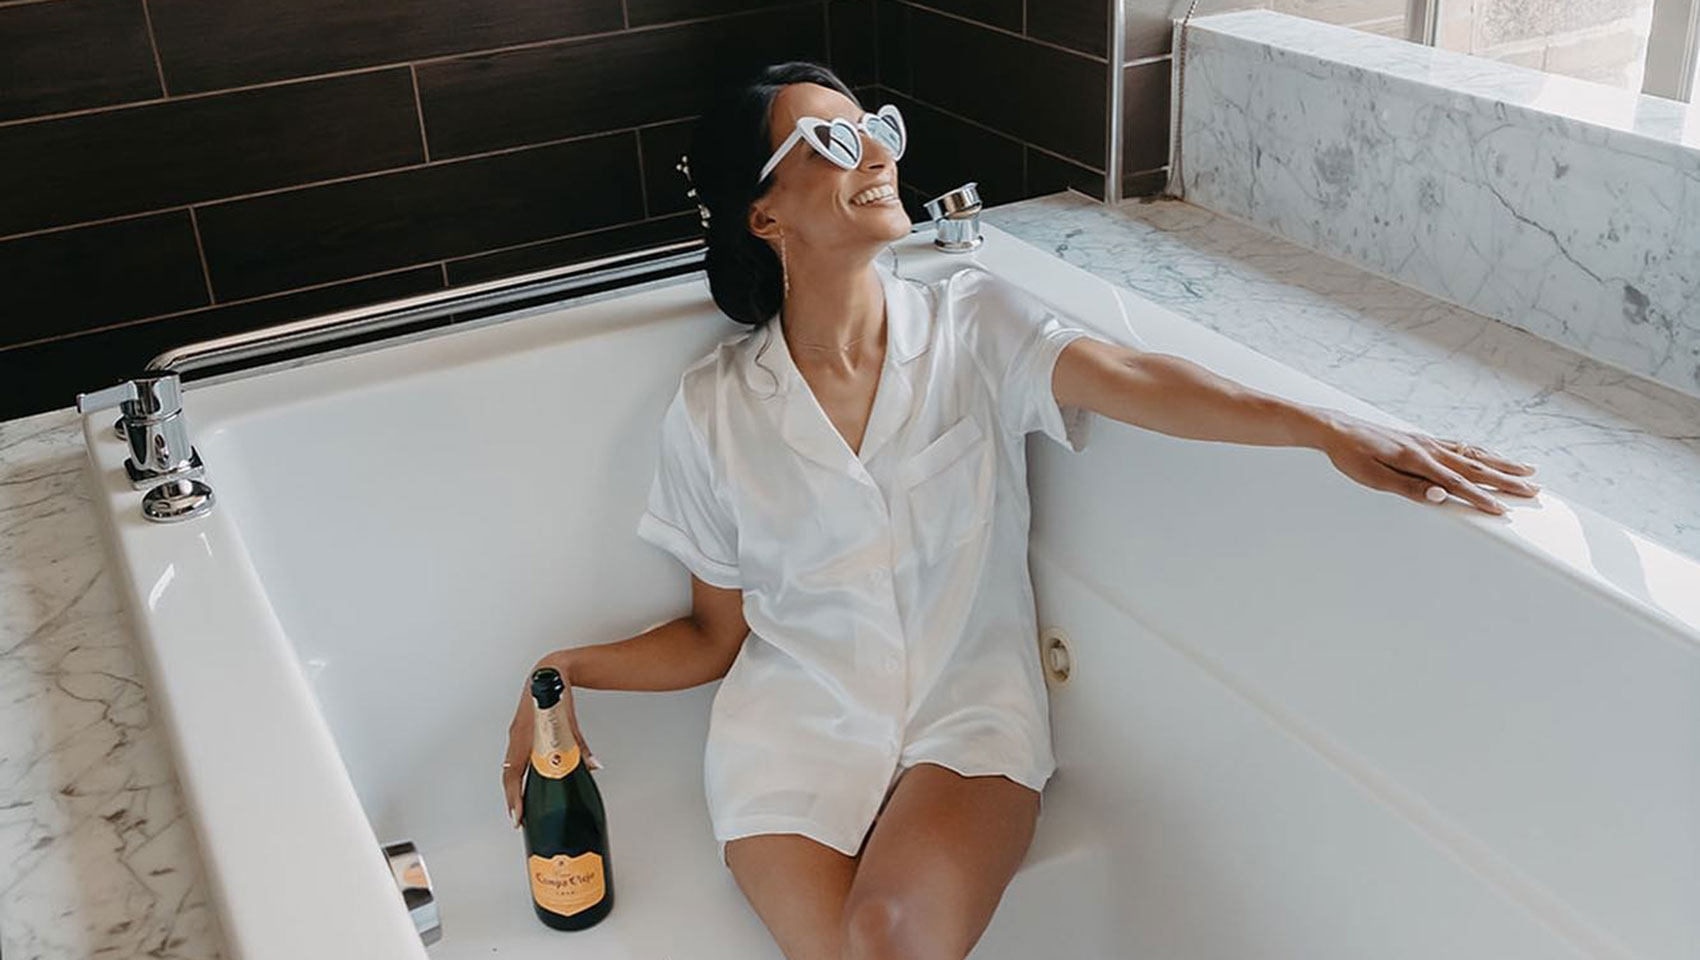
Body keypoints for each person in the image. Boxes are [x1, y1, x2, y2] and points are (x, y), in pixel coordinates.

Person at [501, 61, 1541, 960]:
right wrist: (560, 672)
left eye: (875, 128)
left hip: (967, 719)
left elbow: (1135, 375)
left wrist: (1320, 425)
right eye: (830, 138)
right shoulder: (714, 409)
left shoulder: (973, 322)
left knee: (885, 939)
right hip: (789, 738)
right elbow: (711, 635)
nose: (872, 153)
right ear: (762, 214)